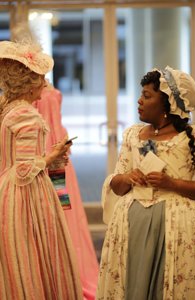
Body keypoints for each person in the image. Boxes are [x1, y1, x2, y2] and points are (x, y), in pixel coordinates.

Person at [96, 66, 195, 300]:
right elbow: (116, 185)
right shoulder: (132, 135)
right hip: (133, 225)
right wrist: (128, 178)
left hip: (179, 228)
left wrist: (172, 183)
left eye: (147, 96)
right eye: (141, 95)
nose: (139, 101)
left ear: (168, 105)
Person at [0, 40, 83, 299]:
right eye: (42, 79)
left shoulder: (8, 109)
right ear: (30, 82)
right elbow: (25, 170)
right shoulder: (27, 115)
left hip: (6, 189)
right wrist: (53, 155)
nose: (45, 85)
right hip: (25, 196)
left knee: (17, 255)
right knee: (33, 252)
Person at [34, 84, 99, 300]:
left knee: (61, 212)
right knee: (60, 214)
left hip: (53, 162)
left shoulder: (41, 94)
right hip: (53, 160)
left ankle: (63, 271)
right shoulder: (47, 93)